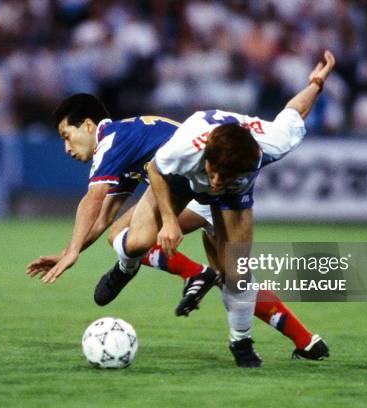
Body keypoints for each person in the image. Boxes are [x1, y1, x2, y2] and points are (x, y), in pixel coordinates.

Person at [27, 88, 329, 365]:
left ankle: (189, 273)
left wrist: (73, 255)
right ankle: (306, 341)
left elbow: (91, 202)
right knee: (231, 277)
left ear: (89, 125)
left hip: (194, 184)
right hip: (205, 184)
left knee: (128, 237)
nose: (67, 147)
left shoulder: (113, 141)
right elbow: (103, 216)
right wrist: (70, 249)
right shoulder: (131, 139)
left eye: (67, 135)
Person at [95, 50, 336, 367]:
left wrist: (316, 82)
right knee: (132, 239)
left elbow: (295, 110)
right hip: (183, 181)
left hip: (233, 201)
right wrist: (168, 222)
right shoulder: (185, 149)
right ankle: (129, 267)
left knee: (236, 274)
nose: (218, 179)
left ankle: (241, 342)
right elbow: (155, 170)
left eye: (227, 174)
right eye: (215, 171)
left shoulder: (272, 143)